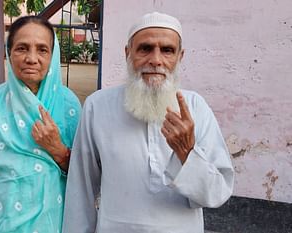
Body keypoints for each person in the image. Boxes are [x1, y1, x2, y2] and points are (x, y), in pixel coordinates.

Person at [62, 12, 234, 233]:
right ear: (128, 53)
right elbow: (81, 190)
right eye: (145, 48)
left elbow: (216, 194)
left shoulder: (196, 108)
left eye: (167, 50)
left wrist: (187, 152)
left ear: (180, 57)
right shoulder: (97, 106)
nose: (156, 59)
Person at [0, 16, 81, 232]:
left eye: (42, 50)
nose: (31, 58)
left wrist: (57, 149)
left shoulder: (68, 105)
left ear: (53, 55)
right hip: (1, 217)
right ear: (9, 52)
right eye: (22, 48)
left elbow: (85, 174)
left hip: (52, 219)